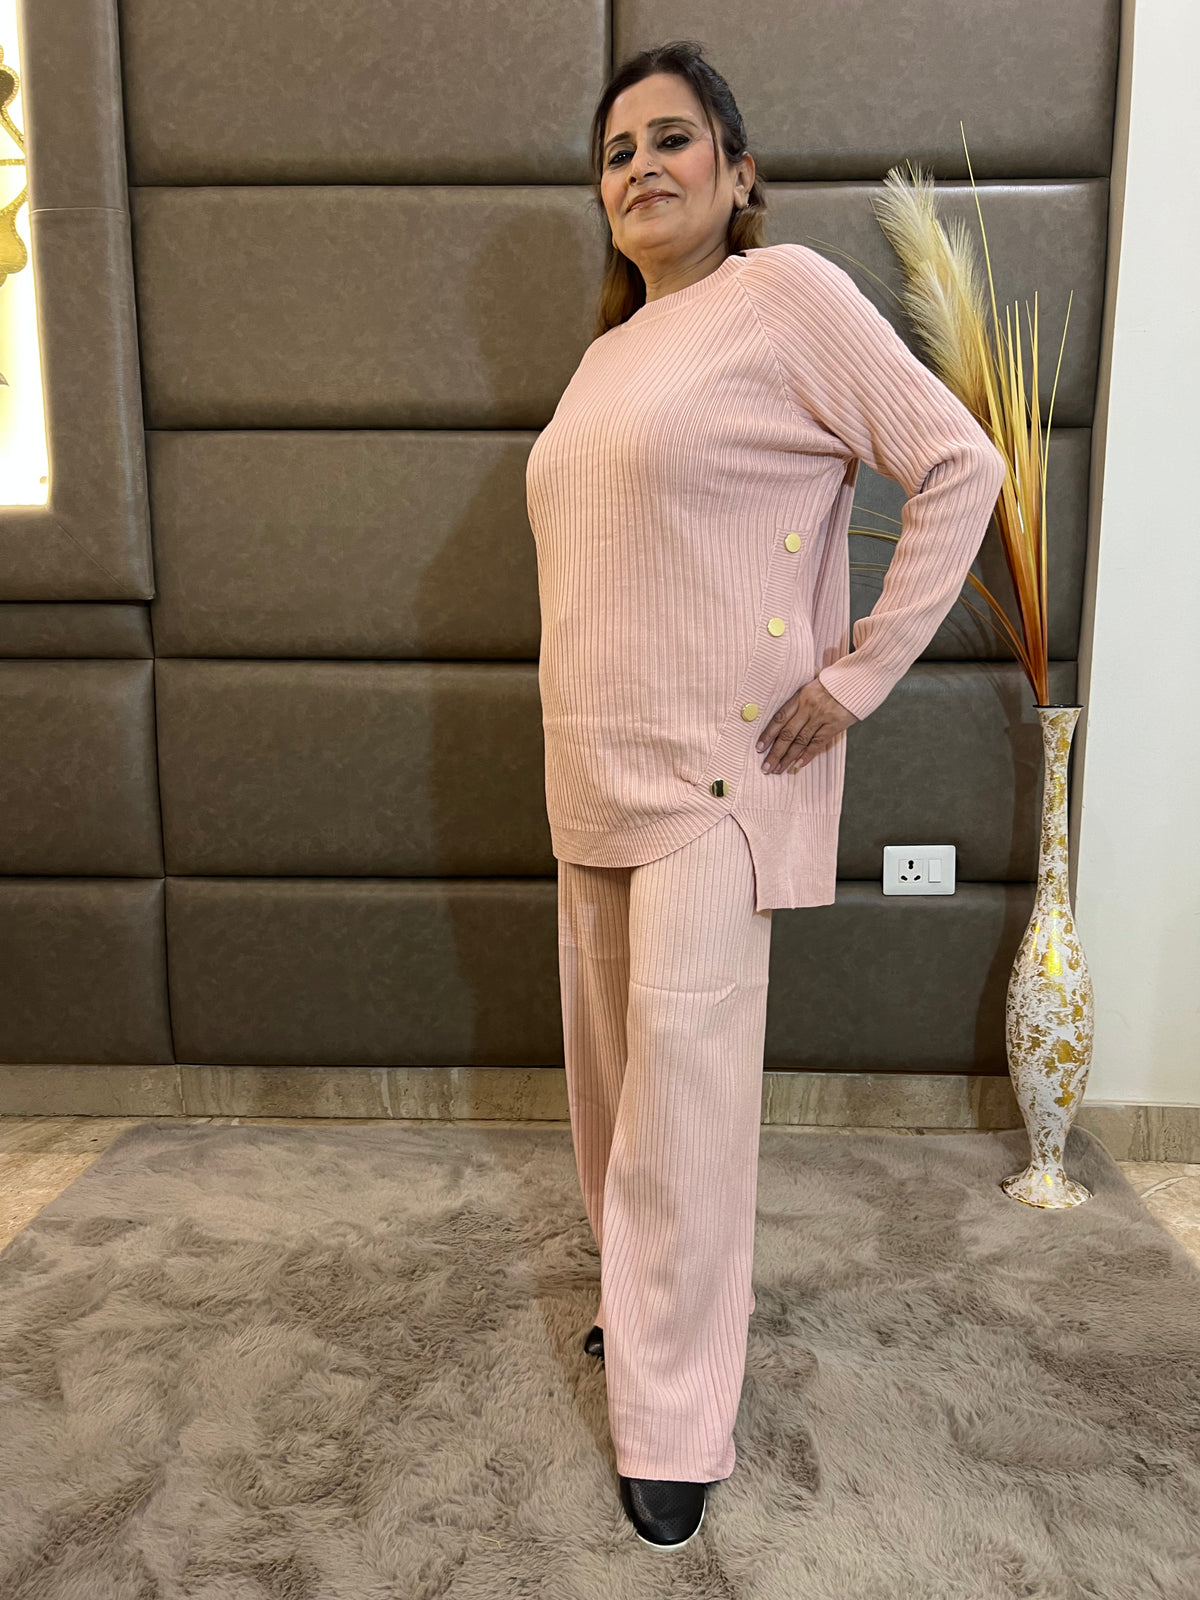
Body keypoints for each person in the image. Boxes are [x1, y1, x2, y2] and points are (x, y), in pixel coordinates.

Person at [524, 41, 1007, 1552]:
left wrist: (855, 676)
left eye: (673, 140)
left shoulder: (784, 293)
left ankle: (677, 1419)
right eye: (616, 152)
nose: (641, 169)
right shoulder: (609, 355)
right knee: (611, 1088)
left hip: (713, 779)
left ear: (739, 172)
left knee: (684, 1104)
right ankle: (646, 1306)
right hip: (591, 773)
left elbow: (961, 465)